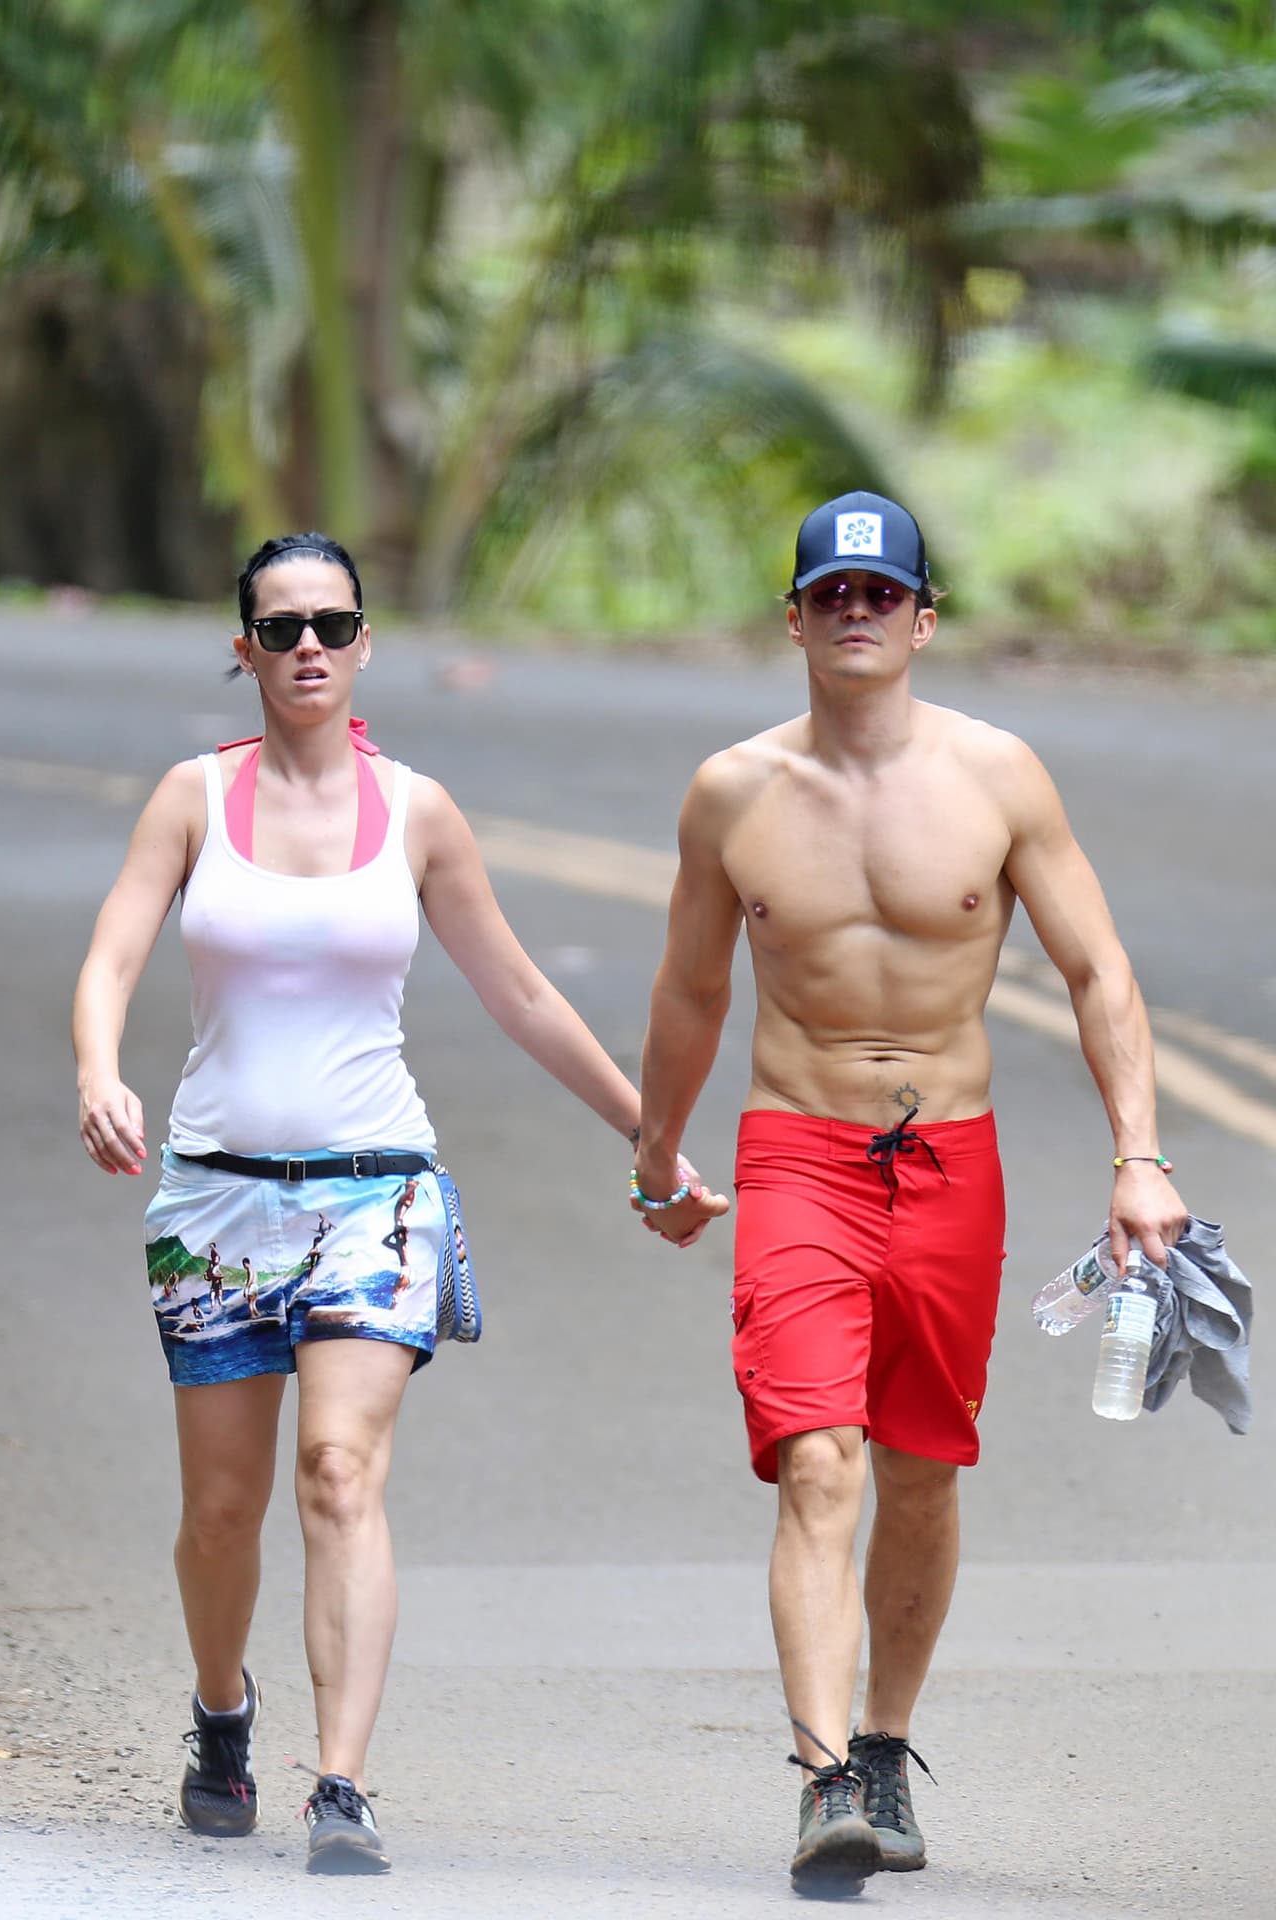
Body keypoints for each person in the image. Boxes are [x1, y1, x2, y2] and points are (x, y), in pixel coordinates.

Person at [73, 531, 718, 1876]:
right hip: (213, 1201)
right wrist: (98, 1071)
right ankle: (222, 1710)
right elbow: (115, 950)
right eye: (282, 624)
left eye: (334, 622)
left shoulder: (418, 813)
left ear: (363, 647)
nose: (309, 643)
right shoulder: (192, 798)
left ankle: (343, 1784)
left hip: (378, 1194)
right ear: (244, 651)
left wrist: (650, 1139)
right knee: (221, 1511)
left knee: (339, 1472)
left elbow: (524, 994)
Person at [628, 490, 1187, 1898]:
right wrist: (658, 1148)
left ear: (923, 618)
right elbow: (694, 985)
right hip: (795, 1149)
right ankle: (824, 1781)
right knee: (817, 1459)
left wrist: (1140, 1155)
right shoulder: (733, 792)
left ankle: (884, 1745)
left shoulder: (1000, 777)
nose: (857, 614)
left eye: (883, 597)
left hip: (950, 1158)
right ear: (798, 620)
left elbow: (1098, 970)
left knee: (920, 1469)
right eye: (832, 596)